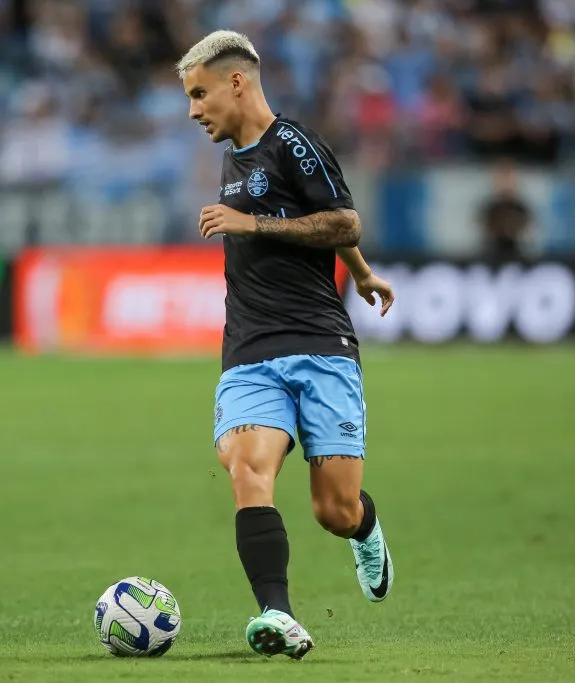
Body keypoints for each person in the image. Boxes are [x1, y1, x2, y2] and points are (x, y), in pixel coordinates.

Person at [177, 31, 396, 660]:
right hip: (249, 345)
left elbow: (342, 219)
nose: (193, 111)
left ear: (236, 82)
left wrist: (261, 227)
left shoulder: (292, 143)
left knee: (334, 509)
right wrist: (357, 271)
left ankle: (366, 528)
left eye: (199, 94)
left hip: (320, 344)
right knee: (248, 468)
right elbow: (321, 224)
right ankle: (278, 614)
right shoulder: (232, 152)